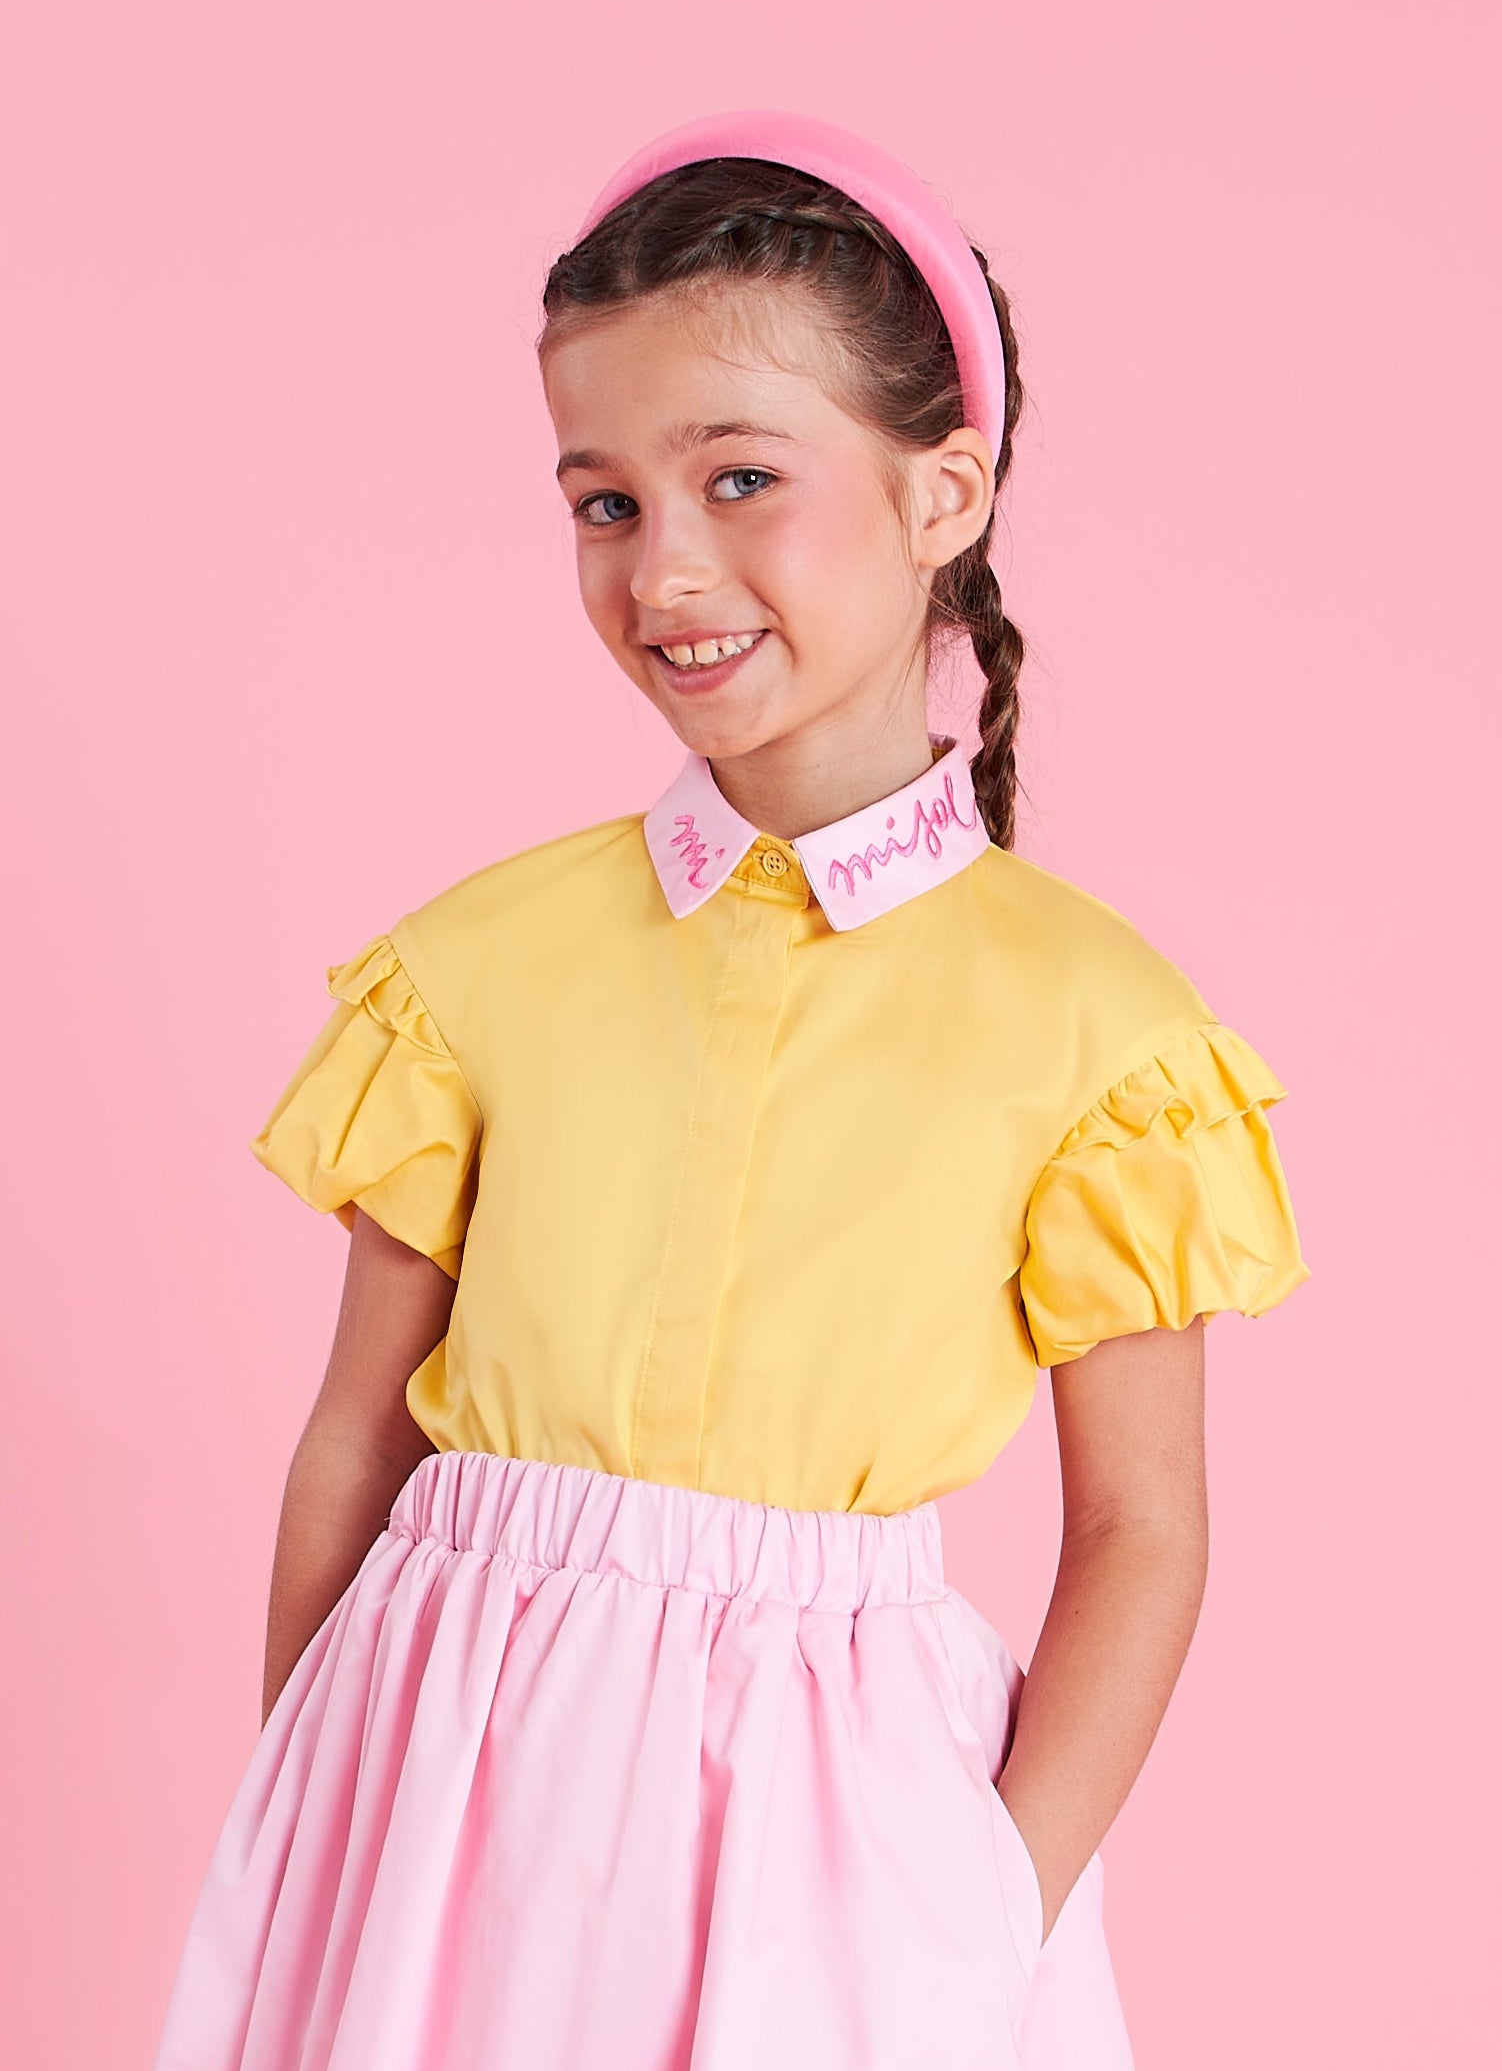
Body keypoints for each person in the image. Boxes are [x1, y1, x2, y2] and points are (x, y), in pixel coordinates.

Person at [148, 109, 1308, 2071]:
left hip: (841, 1848)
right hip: (439, 1806)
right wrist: (308, 1808)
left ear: (944, 494)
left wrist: (987, 1899)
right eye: (601, 500)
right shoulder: (478, 964)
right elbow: (356, 1433)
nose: (663, 566)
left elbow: (1142, 1526)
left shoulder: (1101, 1033)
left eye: (740, 476)